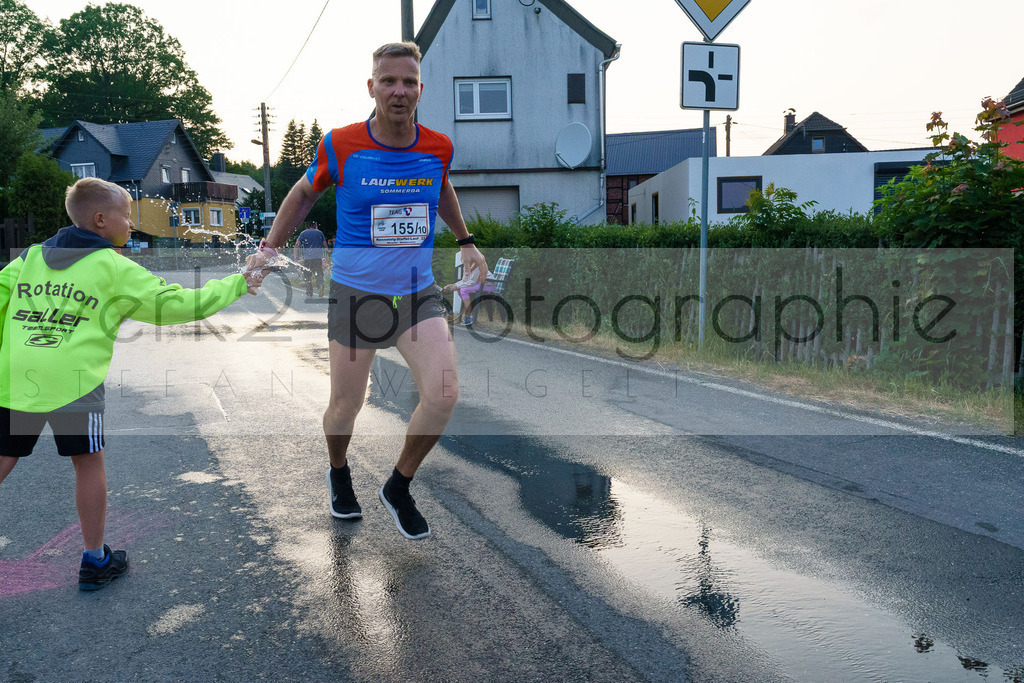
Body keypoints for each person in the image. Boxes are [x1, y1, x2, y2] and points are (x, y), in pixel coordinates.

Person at [245, 41, 487, 540]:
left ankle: (398, 485)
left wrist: (466, 242)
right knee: (345, 407)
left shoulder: (438, 146)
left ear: (421, 88)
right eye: (389, 81)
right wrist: (269, 250)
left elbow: (440, 186)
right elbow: (303, 192)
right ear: (372, 86)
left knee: (443, 394)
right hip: (357, 296)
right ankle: (339, 472)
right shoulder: (342, 144)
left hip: (417, 295)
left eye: (409, 82)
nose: (399, 91)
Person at [0, 177, 264, 590]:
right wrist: (237, 283)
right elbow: (174, 304)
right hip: (73, 381)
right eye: (127, 214)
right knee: (87, 462)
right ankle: (95, 559)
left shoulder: (31, 256)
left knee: (3, 456)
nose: (133, 224)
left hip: (16, 373)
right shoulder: (114, 267)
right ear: (101, 220)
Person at [443, 262, 491, 326]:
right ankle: (470, 313)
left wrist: (457, 286)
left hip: (487, 285)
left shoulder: (476, 265)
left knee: (463, 289)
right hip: (478, 284)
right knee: (459, 289)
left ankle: (470, 315)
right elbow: (464, 281)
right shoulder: (466, 266)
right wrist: (453, 285)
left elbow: (473, 282)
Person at [293, 223, 327, 296]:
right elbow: (325, 244)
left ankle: (309, 292)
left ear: (306, 226)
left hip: (308, 259)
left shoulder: (303, 233)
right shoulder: (320, 233)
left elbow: (297, 244)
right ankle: (320, 286)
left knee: (307, 276)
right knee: (319, 273)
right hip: (318, 258)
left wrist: (296, 256)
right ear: (314, 226)